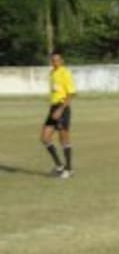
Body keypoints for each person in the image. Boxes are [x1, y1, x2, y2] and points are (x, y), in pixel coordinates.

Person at [42, 48, 76, 178]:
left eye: (57, 60)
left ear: (62, 60)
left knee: (64, 139)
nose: (55, 62)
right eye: (53, 60)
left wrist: (60, 109)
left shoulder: (65, 73)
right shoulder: (52, 73)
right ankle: (59, 166)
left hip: (62, 107)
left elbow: (71, 94)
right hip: (53, 107)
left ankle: (69, 168)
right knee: (45, 138)